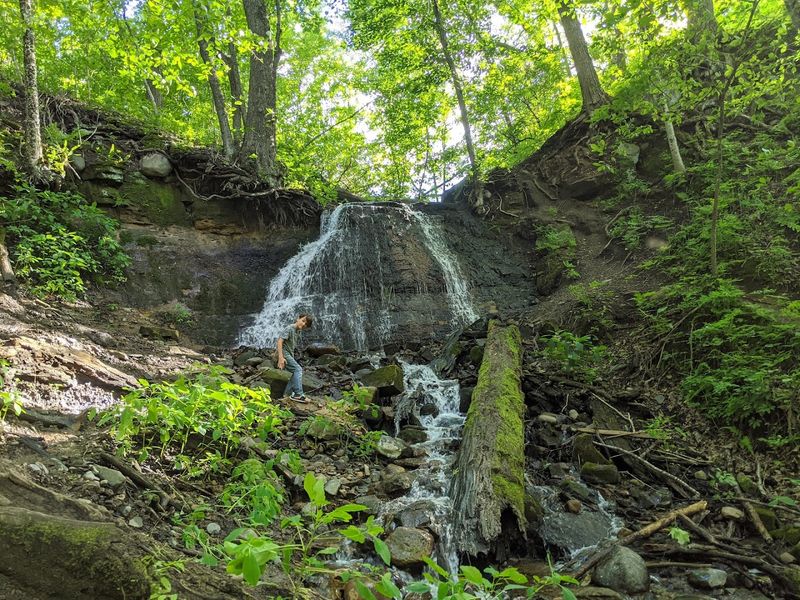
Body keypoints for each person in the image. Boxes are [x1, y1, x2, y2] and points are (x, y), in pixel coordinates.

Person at [277, 314, 313, 401]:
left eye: (306, 324)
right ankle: (298, 394)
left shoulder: (298, 331)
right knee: (298, 370)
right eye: (303, 321)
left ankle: (287, 394)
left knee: (295, 372)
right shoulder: (290, 328)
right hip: (285, 354)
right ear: (298, 319)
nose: (304, 324)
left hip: (289, 354)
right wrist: (281, 358)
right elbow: (279, 341)